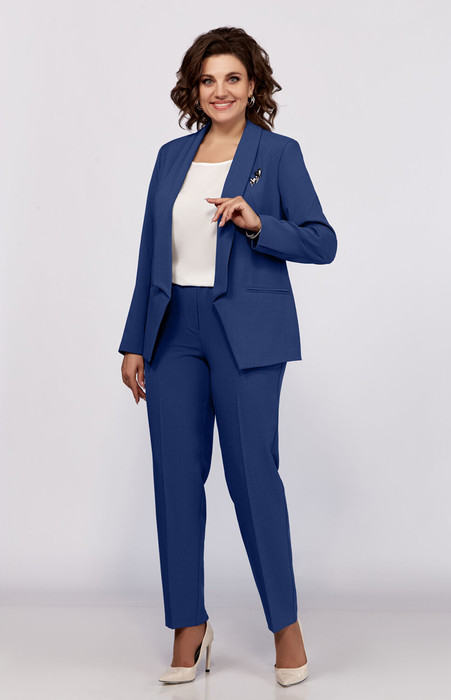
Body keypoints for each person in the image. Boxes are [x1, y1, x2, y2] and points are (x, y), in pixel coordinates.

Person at [118, 26, 337, 687]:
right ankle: (188, 626)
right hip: (172, 333)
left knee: (252, 478)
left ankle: (285, 627)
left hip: (246, 332)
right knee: (175, 480)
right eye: (208, 80)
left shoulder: (279, 153)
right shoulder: (170, 157)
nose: (220, 91)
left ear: (252, 85)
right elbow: (151, 250)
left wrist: (257, 223)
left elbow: (322, 241)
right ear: (194, 89)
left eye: (232, 78)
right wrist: (134, 339)